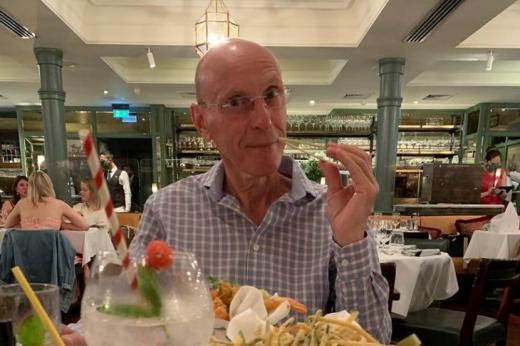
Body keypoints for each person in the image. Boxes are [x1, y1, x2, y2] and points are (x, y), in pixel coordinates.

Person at [130, 39, 391, 343]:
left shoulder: (331, 213)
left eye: (271, 95)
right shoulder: (167, 209)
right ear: (201, 121)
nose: (265, 120)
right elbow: (130, 316)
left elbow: (374, 339)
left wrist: (350, 241)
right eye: (237, 102)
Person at [4, 171, 89, 230]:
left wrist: (24, 224)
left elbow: (7, 225)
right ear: (49, 185)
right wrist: (64, 225)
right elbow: (85, 226)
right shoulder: (59, 204)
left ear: (31, 187)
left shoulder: (21, 204)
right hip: (52, 254)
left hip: (26, 254)